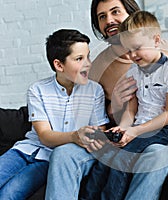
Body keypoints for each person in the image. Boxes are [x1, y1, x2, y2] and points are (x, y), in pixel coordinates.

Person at [46, 0, 168, 199]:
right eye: (102, 17)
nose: (109, 21)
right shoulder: (98, 66)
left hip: (159, 140)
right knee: (64, 153)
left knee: (152, 154)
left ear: (130, 12)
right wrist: (116, 107)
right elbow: (90, 116)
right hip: (120, 135)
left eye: (115, 12)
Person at [81, 10, 168, 199]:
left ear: (156, 41)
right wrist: (123, 127)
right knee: (105, 157)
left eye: (137, 48)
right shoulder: (134, 70)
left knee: (122, 159)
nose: (132, 55)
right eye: (128, 50)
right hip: (138, 127)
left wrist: (135, 132)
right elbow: (131, 108)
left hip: (164, 130)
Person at [0, 29, 109, 199]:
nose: (88, 64)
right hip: (24, 150)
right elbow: (44, 136)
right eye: (79, 59)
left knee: (8, 194)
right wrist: (74, 136)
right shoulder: (38, 90)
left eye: (88, 56)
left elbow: (98, 133)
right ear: (59, 65)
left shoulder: (95, 92)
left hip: (49, 159)